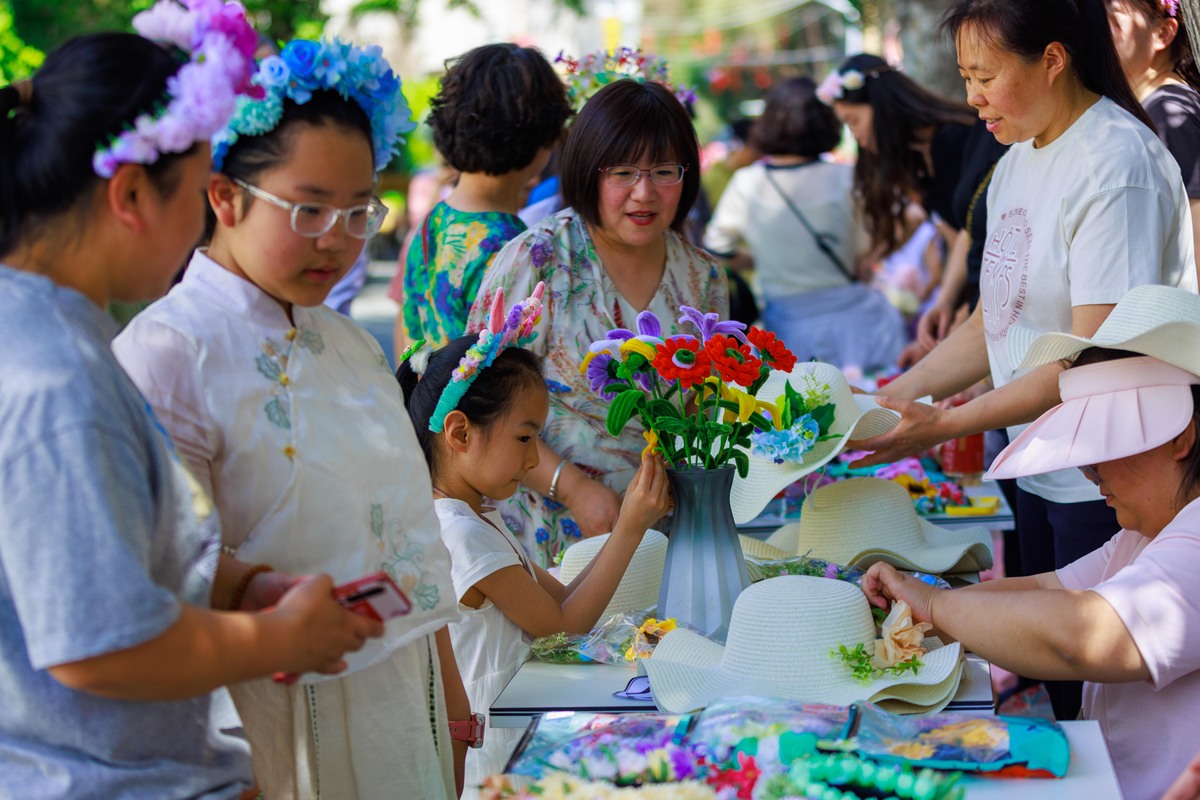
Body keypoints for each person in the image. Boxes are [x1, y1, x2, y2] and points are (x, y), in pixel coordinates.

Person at [0, 9, 383, 798]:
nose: (207, 218)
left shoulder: (44, 336)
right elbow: (95, 645)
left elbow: (104, 558)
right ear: (134, 192)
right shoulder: (57, 374)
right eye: (200, 186)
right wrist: (276, 636)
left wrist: (242, 587)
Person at [113, 38, 466, 799]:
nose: (338, 238)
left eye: (359, 209)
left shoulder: (349, 345)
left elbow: (407, 537)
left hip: (401, 703)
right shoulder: (167, 352)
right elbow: (160, 575)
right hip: (263, 716)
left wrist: (453, 705)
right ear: (224, 195)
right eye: (309, 209)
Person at [852, 0, 1197, 721]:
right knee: (1052, 682)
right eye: (964, 76)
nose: (970, 97)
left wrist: (936, 426)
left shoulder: (1117, 161)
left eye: (984, 75)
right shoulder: (1018, 160)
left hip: (1109, 474)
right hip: (1035, 461)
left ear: (1053, 58)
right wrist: (887, 398)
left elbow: (1088, 360)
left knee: (1088, 685)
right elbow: (994, 321)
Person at [861, 344, 1200, 800]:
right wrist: (921, 600)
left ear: (1181, 437)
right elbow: (1048, 588)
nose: (1089, 470)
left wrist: (936, 606)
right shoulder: (1149, 532)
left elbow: (1081, 637)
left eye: (1108, 441)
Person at [397, 298, 672, 793]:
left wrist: (627, 522)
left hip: (516, 728)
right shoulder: (460, 535)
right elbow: (564, 629)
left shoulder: (476, 515)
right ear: (460, 432)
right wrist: (629, 528)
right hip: (496, 750)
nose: (533, 459)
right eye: (525, 438)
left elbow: (562, 600)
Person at [468, 79, 729, 567]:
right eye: (624, 171)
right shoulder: (539, 258)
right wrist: (571, 488)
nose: (644, 192)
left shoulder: (703, 276)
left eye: (664, 171)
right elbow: (480, 398)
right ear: (589, 171)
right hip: (545, 536)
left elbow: (704, 410)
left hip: (665, 539)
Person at [704, 76, 906, 371]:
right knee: (876, 411)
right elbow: (907, 217)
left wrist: (760, 259)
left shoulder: (748, 183)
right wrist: (869, 259)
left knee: (800, 413)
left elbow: (717, 248)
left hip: (787, 332)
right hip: (862, 323)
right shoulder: (849, 177)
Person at [390, 43, 571, 359]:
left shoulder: (433, 221)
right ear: (541, 136)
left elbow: (408, 335)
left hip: (427, 403)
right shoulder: (516, 246)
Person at [1108, 0, 1200, 263]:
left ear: (1163, 33)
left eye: (1113, 20)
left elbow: (1196, 237)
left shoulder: (1170, 115)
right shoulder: (1153, 108)